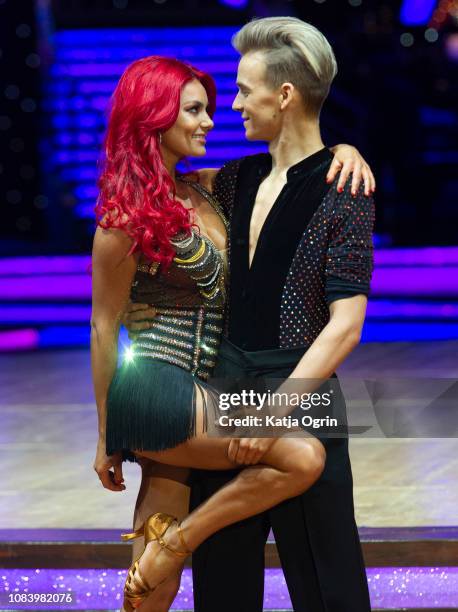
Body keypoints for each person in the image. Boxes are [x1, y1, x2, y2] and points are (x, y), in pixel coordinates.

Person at [91, 52, 371, 612]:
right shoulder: (125, 215)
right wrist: (106, 436)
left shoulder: (211, 187)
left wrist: (344, 149)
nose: (211, 120)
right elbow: (103, 325)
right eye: (193, 110)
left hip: (202, 390)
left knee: (150, 582)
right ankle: (179, 545)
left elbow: (296, 170)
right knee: (300, 457)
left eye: (213, 106)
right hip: (157, 391)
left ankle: (169, 547)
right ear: (154, 116)